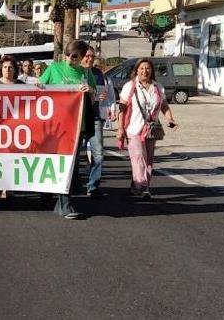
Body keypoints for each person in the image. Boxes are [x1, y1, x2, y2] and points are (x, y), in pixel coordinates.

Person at [38, 40, 96, 220]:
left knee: (69, 165)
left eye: (75, 56)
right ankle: (48, 195)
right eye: (68, 55)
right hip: (55, 126)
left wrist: (90, 91)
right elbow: (38, 89)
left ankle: (64, 203)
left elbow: (93, 98)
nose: (71, 59)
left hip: (77, 126)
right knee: (53, 162)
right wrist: (41, 87)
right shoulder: (54, 68)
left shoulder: (85, 73)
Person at [117, 58, 178, 199]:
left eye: (148, 68)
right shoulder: (130, 86)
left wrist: (170, 119)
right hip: (134, 128)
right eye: (142, 68)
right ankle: (143, 187)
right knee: (138, 157)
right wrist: (120, 128)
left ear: (152, 71)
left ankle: (138, 185)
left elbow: (164, 105)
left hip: (151, 129)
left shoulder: (158, 87)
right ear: (137, 70)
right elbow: (122, 108)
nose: (145, 71)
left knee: (148, 159)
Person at [81, 47, 117, 197]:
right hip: (77, 119)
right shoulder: (75, 73)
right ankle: (73, 185)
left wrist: (109, 107)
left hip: (95, 118)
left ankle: (93, 185)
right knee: (75, 155)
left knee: (98, 154)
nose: (90, 59)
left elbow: (105, 96)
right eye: (87, 56)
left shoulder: (99, 75)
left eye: (92, 56)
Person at [0, 55, 24, 199]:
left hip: (16, 127)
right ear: (1, 69)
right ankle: (2, 185)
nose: (7, 70)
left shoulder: (22, 85)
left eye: (10, 67)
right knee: (1, 157)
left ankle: (9, 185)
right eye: (5, 67)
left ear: (15, 69)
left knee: (13, 157)